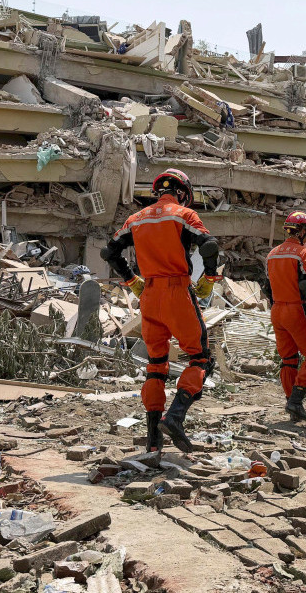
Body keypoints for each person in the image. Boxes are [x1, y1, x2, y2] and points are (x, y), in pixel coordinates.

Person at [102, 168, 220, 453]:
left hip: (149, 295)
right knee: (200, 358)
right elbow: (210, 245)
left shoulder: (136, 219)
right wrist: (209, 278)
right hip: (178, 292)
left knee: (156, 364)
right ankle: (175, 417)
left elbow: (110, 252)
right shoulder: (183, 215)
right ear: (181, 192)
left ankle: (153, 441)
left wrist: (132, 280)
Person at [266, 211, 306, 422]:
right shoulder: (303, 254)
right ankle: (296, 400)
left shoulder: (272, 254)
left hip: (277, 311)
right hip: (295, 310)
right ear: (300, 232)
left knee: (288, 359)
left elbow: (267, 287)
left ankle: (291, 403)